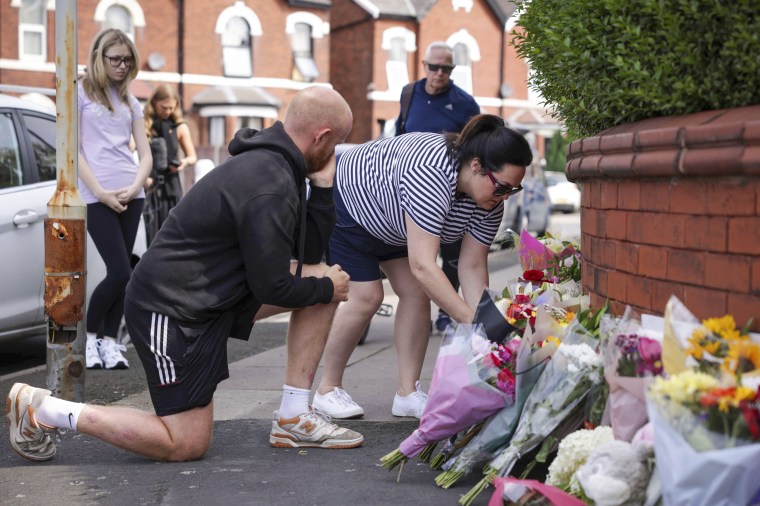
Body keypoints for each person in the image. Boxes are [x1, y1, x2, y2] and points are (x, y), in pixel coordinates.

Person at [7, 86, 362, 463]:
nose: (334, 155)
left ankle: (293, 416)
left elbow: (306, 257)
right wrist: (323, 286)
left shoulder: (279, 168)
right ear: (321, 136)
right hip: (170, 311)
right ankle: (44, 409)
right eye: (335, 145)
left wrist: (323, 188)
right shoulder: (268, 181)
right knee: (185, 443)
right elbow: (271, 285)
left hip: (211, 298)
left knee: (325, 279)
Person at [313, 114, 533, 420]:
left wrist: (488, 327)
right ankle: (327, 389)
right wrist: (469, 322)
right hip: (352, 204)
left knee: (417, 294)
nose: (504, 198)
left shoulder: (489, 200)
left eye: (513, 190)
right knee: (367, 296)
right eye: (502, 188)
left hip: (397, 221)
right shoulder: (431, 174)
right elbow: (422, 265)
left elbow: (471, 266)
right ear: (476, 167)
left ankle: (407, 393)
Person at [76, 28, 152, 371]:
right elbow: (74, 152)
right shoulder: (79, 93)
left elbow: (146, 155)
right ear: (99, 58)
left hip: (130, 192)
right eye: (116, 59)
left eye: (127, 60)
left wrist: (136, 185)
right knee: (119, 270)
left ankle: (110, 343)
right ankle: (91, 340)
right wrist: (102, 193)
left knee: (126, 275)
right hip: (96, 194)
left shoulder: (131, 102)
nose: (123, 66)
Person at [395, 41, 481, 333]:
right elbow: (399, 135)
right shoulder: (409, 93)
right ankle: (415, 305)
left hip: (450, 190)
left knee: (452, 254)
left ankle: (446, 312)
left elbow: (477, 148)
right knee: (416, 255)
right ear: (424, 65)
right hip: (410, 189)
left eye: (447, 68)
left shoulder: (465, 103)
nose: (440, 73)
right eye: (434, 67)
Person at [142, 84, 197, 245]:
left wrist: (183, 163)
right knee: (151, 236)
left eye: (171, 108)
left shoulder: (180, 127)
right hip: (149, 187)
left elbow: (192, 156)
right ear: (154, 103)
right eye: (163, 107)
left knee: (173, 235)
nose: (167, 111)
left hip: (172, 186)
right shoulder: (144, 126)